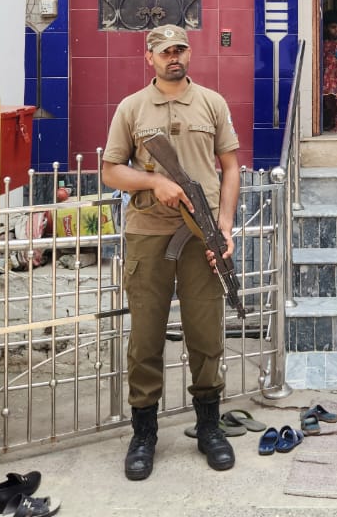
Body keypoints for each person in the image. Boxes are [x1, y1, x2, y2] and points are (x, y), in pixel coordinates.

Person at [100, 24, 241, 479]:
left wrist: (223, 223)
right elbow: (110, 172)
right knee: (145, 338)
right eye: (164, 51)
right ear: (150, 57)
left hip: (202, 234)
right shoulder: (132, 109)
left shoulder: (212, 103)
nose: (173, 57)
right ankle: (144, 433)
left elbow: (231, 166)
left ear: (189, 53)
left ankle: (208, 426)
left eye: (180, 49)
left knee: (206, 333)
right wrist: (154, 181)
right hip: (147, 232)